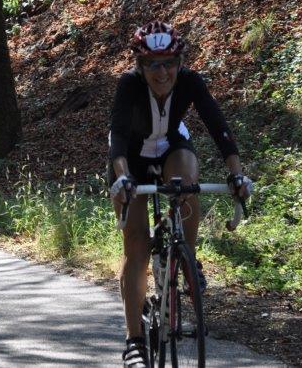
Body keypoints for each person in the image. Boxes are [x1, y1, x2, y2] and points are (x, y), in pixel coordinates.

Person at [107, 20, 253, 368]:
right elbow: (118, 136)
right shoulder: (129, 85)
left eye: (169, 63)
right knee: (136, 245)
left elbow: (218, 125)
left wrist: (236, 174)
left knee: (186, 182)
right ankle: (134, 342)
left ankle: (186, 255)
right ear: (140, 66)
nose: (162, 73)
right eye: (153, 64)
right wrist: (123, 179)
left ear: (180, 62)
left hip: (172, 147)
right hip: (131, 159)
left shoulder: (190, 81)